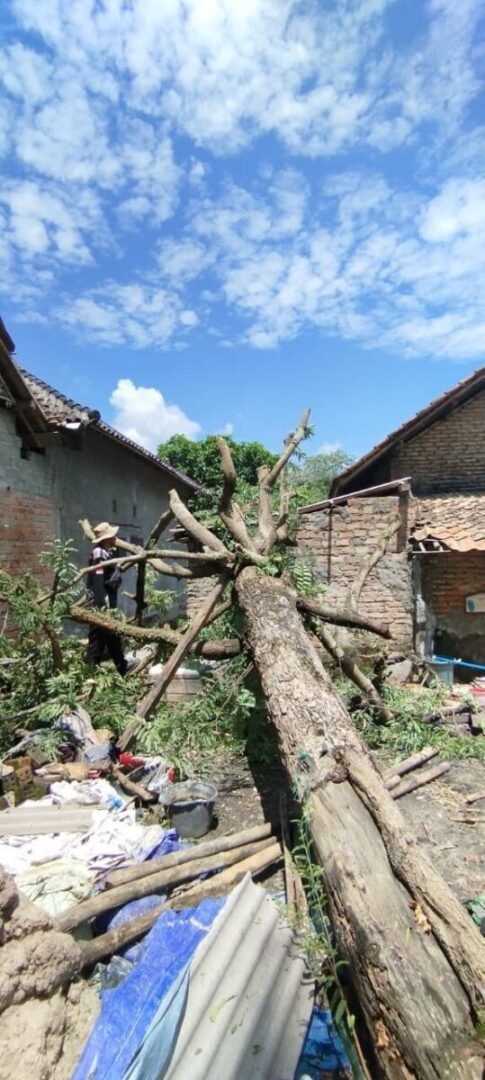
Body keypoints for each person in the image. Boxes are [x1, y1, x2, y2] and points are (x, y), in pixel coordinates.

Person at [85, 521, 128, 676]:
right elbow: (97, 581)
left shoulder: (106, 552)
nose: (116, 537)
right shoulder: (98, 553)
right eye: (113, 535)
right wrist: (102, 607)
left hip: (106, 604)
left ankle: (122, 666)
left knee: (112, 636)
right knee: (96, 640)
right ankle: (89, 673)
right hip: (101, 604)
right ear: (107, 538)